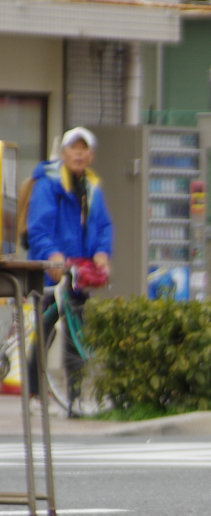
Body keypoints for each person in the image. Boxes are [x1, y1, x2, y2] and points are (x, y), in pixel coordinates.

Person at [25, 127, 113, 398]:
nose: (78, 153)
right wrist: (52, 254)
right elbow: (38, 227)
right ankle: (35, 394)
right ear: (63, 153)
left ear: (91, 155)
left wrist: (101, 252)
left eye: (84, 148)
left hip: (78, 271)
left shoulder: (91, 186)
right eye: (73, 148)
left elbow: (102, 226)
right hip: (51, 270)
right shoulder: (49, 183)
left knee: (76, 332)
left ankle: (73, 398)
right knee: (44, 331)